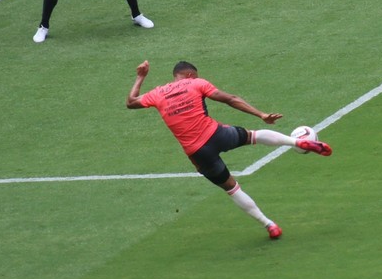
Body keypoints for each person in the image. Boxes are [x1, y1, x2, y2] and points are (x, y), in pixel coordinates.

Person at [126, 60, 333, 240]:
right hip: (216, 134)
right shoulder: (196, 83)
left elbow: (131, 103)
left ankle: (270, 225)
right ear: (189, 75)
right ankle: (296, 142)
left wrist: (140, 77)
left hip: (198, 153)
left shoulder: (157, 93)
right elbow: (230, 99)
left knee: (232, 189)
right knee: (254, 136)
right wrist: (261, 114)